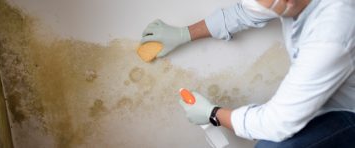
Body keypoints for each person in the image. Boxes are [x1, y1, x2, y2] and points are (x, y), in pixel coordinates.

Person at [141, 0, 355, 147]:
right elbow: (244, 12)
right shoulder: (284, 3)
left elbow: (277, 123)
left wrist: (212, 113)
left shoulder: (331, 34)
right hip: (332, 101)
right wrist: (183, 34)